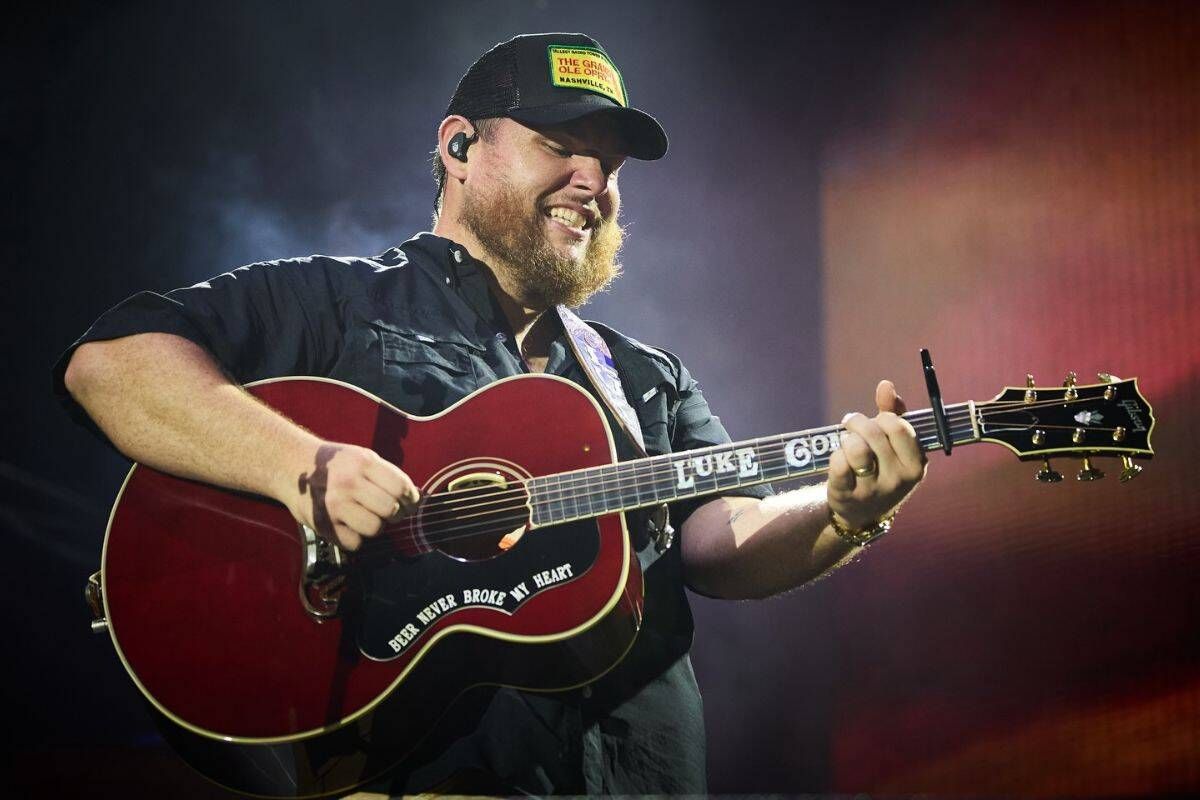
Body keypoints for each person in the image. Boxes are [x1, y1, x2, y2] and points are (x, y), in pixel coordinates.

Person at [56, 33, 926, 796]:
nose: (593, 183)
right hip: (417, 771)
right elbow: (113, 362)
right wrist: (303, 466)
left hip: (642, 776)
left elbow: (718, 537)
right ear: (461, 145)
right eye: (560, 146)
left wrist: (845, 513)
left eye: (611, 167)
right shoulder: (334, 303)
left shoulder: (642, 375)